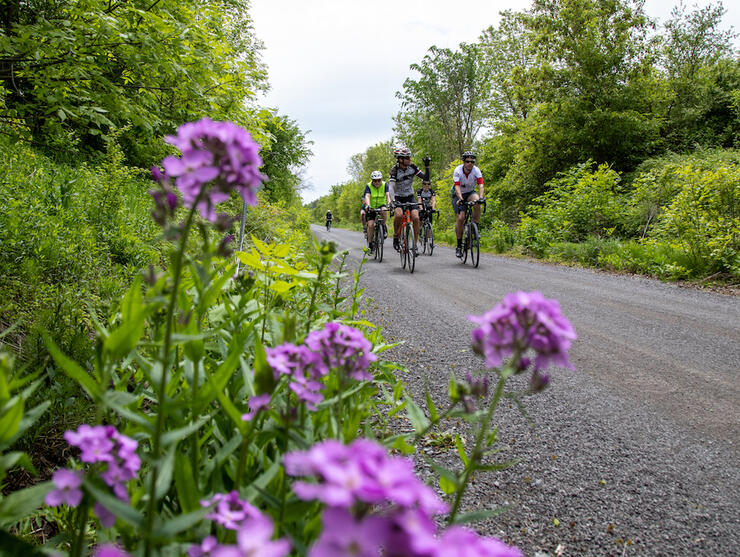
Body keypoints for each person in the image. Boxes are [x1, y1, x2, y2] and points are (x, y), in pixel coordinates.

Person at [388, 146, 429, 251]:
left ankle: (414, 244)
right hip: (397, 197)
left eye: (409, 157)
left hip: (410, 196)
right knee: (399, 215)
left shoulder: (413, 167)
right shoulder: (394, 170)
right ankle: (396, 236)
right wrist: (392, 201)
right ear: (400, 159)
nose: (409, 160)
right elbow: (391, 188)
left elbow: (426, 178)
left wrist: (427, 167)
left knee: (416, 217)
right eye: (407, 158)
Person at [451, 151, 484, 258]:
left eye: (472, 162)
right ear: (463, 162)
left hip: (470, 192)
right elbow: (457, 187)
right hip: (458, 194)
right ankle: (459, 245)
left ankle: (475, 227)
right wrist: (460, 199)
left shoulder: (476, 170)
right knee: (461, 218)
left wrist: (482, 198)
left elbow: (481, 185)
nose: (470, 163)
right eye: (467, 161)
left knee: (477, 202)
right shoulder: (458, 171)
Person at [363, 170, 391, 251]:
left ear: (381, 179)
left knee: (384, 210)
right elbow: (367, 196)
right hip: (371, 207)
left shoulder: (385, 184)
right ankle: (370, 243)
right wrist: (368, 205)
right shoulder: (368, 185)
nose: (377, 182)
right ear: (372, 180)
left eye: (379, 180)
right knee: (371, 225)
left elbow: (388, 195)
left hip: (381, 204)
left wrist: (389, 203)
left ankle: (383, 225)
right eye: (375, 180)